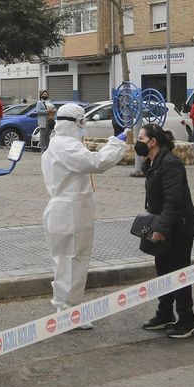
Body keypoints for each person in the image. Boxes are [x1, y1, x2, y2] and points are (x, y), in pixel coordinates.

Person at [41, 103, 130, 323]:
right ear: (78, 122)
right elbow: (96, 162)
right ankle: (69, 313)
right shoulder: (66, 146)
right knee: (73, 262)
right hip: (70, 210)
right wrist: (116, 143)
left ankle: (65, 307)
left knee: (65, 262)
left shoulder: (59, 143)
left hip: (67, 208)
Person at [136, 124, 194, 339]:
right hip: (164, 224)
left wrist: (161, 229)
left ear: (153, 142)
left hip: (179, 228)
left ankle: (188, 320)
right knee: (163, 271)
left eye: (141, 138)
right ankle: (165, 314)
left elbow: (173, 201)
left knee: (179, 273)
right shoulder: (156, 161)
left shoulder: (171, 163)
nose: (138, 143)